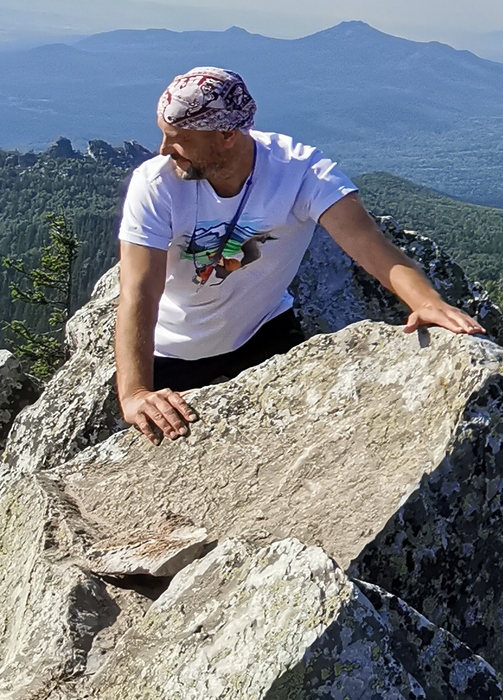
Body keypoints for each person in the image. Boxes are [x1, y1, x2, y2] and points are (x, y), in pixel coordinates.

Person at [115, 65, 484, 443]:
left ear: (226, 133)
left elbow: (368, 243)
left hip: (264, 333)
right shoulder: (156, 184)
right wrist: (136, 393)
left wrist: (426, 301)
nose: (163, 149)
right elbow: (139, 291)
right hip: (172, 353)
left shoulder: (301, 172)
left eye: (178, 139)